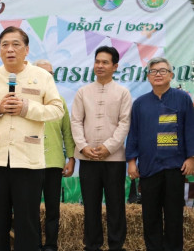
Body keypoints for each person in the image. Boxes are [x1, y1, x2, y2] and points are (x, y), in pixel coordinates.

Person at [0, 26, 64, 251]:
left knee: (27, 224)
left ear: (26, 49)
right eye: (4, 45)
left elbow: (57, 110)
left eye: (16, 44)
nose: (10, 49)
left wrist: (27, 108)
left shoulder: (42, 77)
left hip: (29, 162)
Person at [126, 57, 194, 251]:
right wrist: (131, 161)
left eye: (162, 71)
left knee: (174, 215)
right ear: (148, 77)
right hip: (148, 168)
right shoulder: (140, 103)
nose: (157, 74)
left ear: (171, 76)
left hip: (175, 166)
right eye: (153, 71)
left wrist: (191, 157)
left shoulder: (182, 99)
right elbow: (134, 134)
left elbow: (190, 128)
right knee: (150, 215)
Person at [70, 46, 132, 251]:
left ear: (115, 66)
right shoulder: (83, 92)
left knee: (116, 205)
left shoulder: (123, 93)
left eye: (105, 62)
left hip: (114, 159)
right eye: (97, 61)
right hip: (87, 158)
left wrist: (108, 147)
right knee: (90, 205)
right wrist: (83, 146)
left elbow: (125, 123)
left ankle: (116, 245)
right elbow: (76, 122)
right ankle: (92, 245)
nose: (99, 66)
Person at [34, 59, 75, 251]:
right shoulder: (25, 99)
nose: (48, 76)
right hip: (29, 163)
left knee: (53, 209)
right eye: (43, 73)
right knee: (29, 209)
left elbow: (67, 132)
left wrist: (71, 158)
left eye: (51, 73)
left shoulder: (59, 100)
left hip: (54, 163)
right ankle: (32, 244)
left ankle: (50, 246)